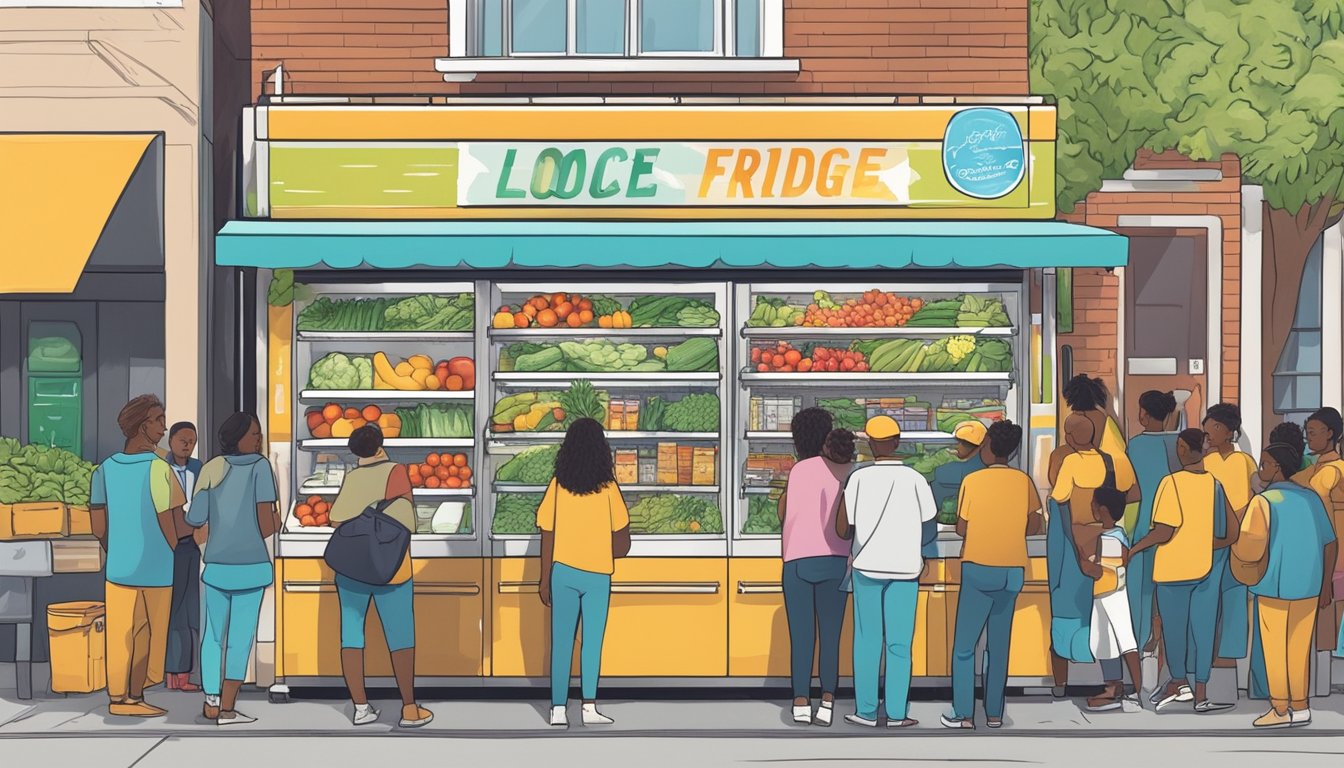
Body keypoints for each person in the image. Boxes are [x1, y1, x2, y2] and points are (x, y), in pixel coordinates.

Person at [328, 424, 434, 729]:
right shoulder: (396, 471)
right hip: (392, 569)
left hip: (352, 570)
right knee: (400, 635)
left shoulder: (352, 477)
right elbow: (409, 523)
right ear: (380, 445)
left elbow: (336, 518)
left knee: (351, 634)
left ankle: (361, 708)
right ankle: (409, 709)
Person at [89, 395, 188, 717]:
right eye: (159, 420)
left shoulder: (104, 470)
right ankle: (133, 696)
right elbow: (171, 520)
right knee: (147, 635)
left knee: (120, 635)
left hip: (119, 568)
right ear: (143, 426)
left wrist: (116, 549)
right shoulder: (159, 469)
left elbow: (98, 524)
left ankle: (118, 697)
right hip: (156, 569)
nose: (163, 427)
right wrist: (173, 547)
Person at [835, 415, 937, 729]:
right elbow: (929, 526)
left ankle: (866, 712)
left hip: (867, 568)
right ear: (897, 443)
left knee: (867, 640)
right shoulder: (915, 479)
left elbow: (842, 530)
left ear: (869, 445)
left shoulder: (858, 479)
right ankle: (896, 714)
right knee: (899, 644)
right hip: (906, 570)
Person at [1235, 423, 1336, 728]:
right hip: (1308, 585)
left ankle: (1280, 709)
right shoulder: (1310, 499)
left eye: (1265, 463)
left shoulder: (1263, 502)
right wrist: (1325, 583)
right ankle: (1301, 706)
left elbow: (1248, 550)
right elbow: (1330, 542)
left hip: (1274, 585)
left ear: (1277, 467)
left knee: (1275, 648)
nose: (1261, 468)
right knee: (1299, 647)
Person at [943, 420, 1042, 730]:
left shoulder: (973, 481)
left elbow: (961, 527)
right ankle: (995, 713)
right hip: (1012, 570)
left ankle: (964, 714)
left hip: (979, 568)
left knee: (964, 648)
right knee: (998, 647)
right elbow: (1035, 524)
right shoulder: (1023, 481)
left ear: (987, 448)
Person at [1130, 428, 1237, 713]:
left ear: (1185, 449)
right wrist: (1206, 543)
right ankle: (1201, 693)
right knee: (1203, 632)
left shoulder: (1171, 483)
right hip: (1205, 569)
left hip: (1172, 571)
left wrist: (1135, 548)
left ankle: (1178, 682)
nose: (1177, 450)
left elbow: (1164, 531)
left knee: (1174, 632)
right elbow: (1232, 532)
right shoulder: (1214, 484)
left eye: (1178, 446)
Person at [185, 413, 280, 725]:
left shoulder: (212, 467)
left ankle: (210, 702)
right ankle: (227, 708)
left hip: (217, 567)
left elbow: (195, 517)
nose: (258, 439)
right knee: (240, 640)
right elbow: (267, 525)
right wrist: (277, 521)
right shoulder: (261, 467)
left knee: (212, 636)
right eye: (254, 434)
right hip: (251, 567)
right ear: (238, 437)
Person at [538, 418, 632, 728]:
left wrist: (543, 577)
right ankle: (589, 707)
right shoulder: (608, 488)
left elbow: (546, 533)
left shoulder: (558, 486)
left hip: (562, 572)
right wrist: (600, 547)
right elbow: (623, 540)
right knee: (592, 642)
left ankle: (558, 709)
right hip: (597, 575)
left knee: (561, 641)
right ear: (601, 450)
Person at [1053, 375, 1139, 705]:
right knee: (1111, 611)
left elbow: (1058, 499)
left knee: (1087, 611)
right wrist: (1112, 521)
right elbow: (1132, 491)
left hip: (1086, 534)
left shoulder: (1075, 448)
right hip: (1111, 531)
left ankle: (1100, 682)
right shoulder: (1109, 429)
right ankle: (1119, 683)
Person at [777, 426, 855, 726]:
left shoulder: (801, 469)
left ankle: (799, 701)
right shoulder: (853, 474)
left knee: (802, 635)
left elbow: (784, 513)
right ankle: (827, 700)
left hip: (797, 560)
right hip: (836, 561)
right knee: (831, 636)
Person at [1125, 391, 1180, 660]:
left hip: (1142, 527)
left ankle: (1140, 643)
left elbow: (1129, 489)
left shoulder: (1135, 446)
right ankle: (1167, 652)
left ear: (1144, 413)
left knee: (1140, 593)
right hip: (1176, 530)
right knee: (1171, 594)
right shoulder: (1179, 443)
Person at [1078, 486, 1143, 712]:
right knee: (1105, 642)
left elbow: (1106, 570)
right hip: (1106, 594)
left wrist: (1083, 561)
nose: (1091, 507)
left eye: (1093, 504)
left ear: (1102, 509)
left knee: (1124, 642)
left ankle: (1135, 691)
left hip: (1111, 594)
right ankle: (1114, 687)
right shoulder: (1116, 535)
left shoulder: (1111, 538)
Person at [1202, 403, 1256, 663]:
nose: (1208, 432)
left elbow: (1253, 497)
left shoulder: (1244, 461)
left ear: (1228, 430)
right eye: (1207, 427)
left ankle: (1229, 659)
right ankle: (1208, 655)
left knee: (1234, 597)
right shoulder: (1205, 462)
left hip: (1239, 540)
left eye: (1214, 426)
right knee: (1208, 598)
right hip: (1210, 539)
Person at [1293, 407, 1344, 653]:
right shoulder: (1316, 470)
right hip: (1329, 558)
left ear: (1330, 433)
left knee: (1328, 625)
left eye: (1313, 433)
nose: (1309, 438)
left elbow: (1320, 522)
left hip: (1334, 559)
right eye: (1307, 433)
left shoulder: (1329, 473)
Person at [164, 422, 203, 692]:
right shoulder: (160, 468)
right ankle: (172, 672)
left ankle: (185, 673)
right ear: (171, 440)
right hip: (169, 543)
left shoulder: (199, 468)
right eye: (182, 440)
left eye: (192, 440)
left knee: (191, 608)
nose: (187, 444)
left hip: (191, 543)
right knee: (173, 608)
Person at [930, 420, 988, 513]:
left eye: (966, 444)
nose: (959, 446)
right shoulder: (941, 458)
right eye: (958, 442)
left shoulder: (982, 465)